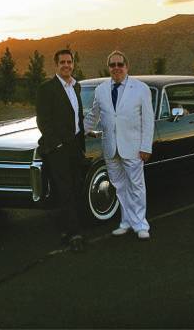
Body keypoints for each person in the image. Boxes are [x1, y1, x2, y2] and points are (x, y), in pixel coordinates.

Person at [84, 50, 155, 240]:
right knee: (120, 187)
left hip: (133, 147)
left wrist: (146, 146)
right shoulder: (101, 90)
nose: (116, 68)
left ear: (126, 66)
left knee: (136, 186)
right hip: (110, 147)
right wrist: (77, 132)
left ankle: (141, 225)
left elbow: (148, 120)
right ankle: (125, 222)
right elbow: (93, 116)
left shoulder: (140, 88)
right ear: (108, 67)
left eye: (120, 64)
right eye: (112, 65)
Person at [36, 49, 86, 252]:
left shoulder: (76, 86)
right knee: (64, 190)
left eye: (69, 61)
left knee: (75, 187)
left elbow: (77, 117)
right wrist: (56, 144)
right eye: (62, 62)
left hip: (75, 145)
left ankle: (67, 228)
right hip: (58, 148)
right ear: (56, 65)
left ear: (73, 64)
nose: (66, 65)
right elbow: (43, 120)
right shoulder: (47, 88)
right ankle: (74, 234)